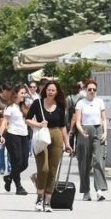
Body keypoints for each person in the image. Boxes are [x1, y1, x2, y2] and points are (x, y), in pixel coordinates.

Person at [26, 80, 73, 212]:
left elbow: (63, 126)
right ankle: (39, 198)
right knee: (44, 168)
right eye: (48, 89)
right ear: (45, 90)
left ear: (57, 92)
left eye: (52, 90)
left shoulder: (60, 105)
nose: (50, 92)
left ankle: (47, 201)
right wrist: (38, 124)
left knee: (53, 170)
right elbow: (28, 119)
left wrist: (67, 143)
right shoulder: (38, 103)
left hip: (56, 135)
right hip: (41, 135)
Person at [72, 78, 108, 201]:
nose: (92, 91)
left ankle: (99, 190)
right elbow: (77, 122)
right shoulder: (80, 103)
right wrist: (81, 131)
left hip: (98, 129)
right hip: (84, 130)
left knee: (98, 160)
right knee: (84, 162)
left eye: (94, 89)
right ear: (85, 90)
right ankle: (86, 191)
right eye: (89, 89)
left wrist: (105, 132)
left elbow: (104, 119)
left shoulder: (99, 102)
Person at [0, 85, 31, 195]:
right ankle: (19, 187)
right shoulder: (10, 107)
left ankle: (9, 177)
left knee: (25, 163)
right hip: (13, 135)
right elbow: (4, 122)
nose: (24, 95)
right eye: (22, 93)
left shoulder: (24, 107)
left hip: (24, 135)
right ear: (15, 94)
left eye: (24, 93)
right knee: (17, 161)